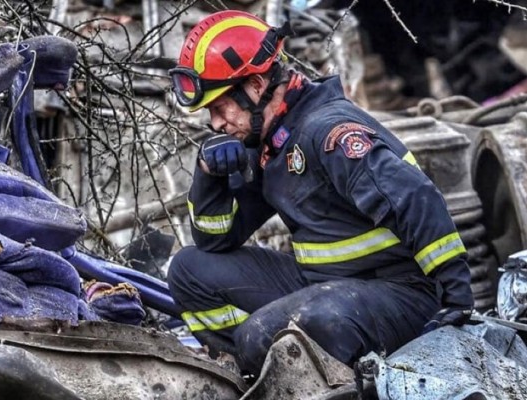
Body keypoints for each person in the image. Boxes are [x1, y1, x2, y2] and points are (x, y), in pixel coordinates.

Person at [166, 9, 474, 377]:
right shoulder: (272, 142)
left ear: (255, 86)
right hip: (324, 284)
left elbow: (416, 198)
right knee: (188, 269)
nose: (215, 122)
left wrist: (456, 297)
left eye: (220, 107)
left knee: (265, 334)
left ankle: (324, 378)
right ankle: (253, 372)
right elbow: (215, 241)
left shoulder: (328, 132)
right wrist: (209, 175)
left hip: (401, 292)